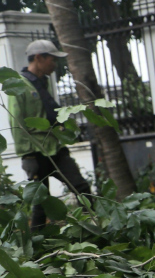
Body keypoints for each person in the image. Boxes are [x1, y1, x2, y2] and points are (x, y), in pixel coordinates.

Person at [7, 39, 93, 229]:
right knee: (41, 203)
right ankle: (37, 243)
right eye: (52, 60)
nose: (55, 64)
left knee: (81, 188)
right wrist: (27, 155)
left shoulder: (42, 83)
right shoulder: (19, 85)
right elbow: (16, 123)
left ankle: (92, 228)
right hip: (35, 152)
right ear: (39, 58)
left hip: (55, 148)